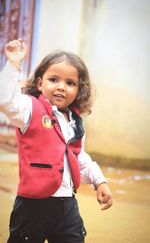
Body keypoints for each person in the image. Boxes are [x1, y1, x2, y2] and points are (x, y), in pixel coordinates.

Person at [0, 39, 113, 243]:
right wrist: (14, 64)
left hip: (66, 206)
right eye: (54, 79)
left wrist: (99, 181)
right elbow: (5, 100)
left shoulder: (75, 121)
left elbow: (78, 157)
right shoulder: (29, 109)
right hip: (32, 206)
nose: (61, 87)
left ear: (79, 89)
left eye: (70, 83)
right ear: (40, 82)